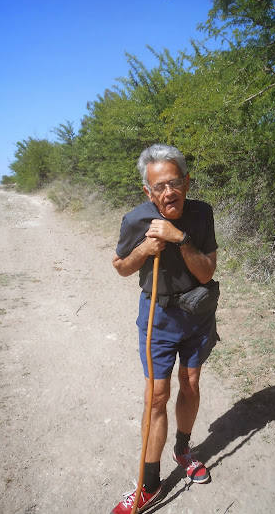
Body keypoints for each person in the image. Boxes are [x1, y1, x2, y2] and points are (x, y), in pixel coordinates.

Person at [111, 143, 219, 514]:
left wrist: (180, 239)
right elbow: (121, 266)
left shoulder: (202, 214)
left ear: (187, 182)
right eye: (159, 186)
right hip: (158, 317)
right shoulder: (135, 219)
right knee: (156, 397)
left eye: (174, 182)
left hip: (197, 314)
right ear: (147, 190)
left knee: (190, 385)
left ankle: (183, 450)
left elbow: (207, 271)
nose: (168, 192)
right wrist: (145, 249)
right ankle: (150, 484)